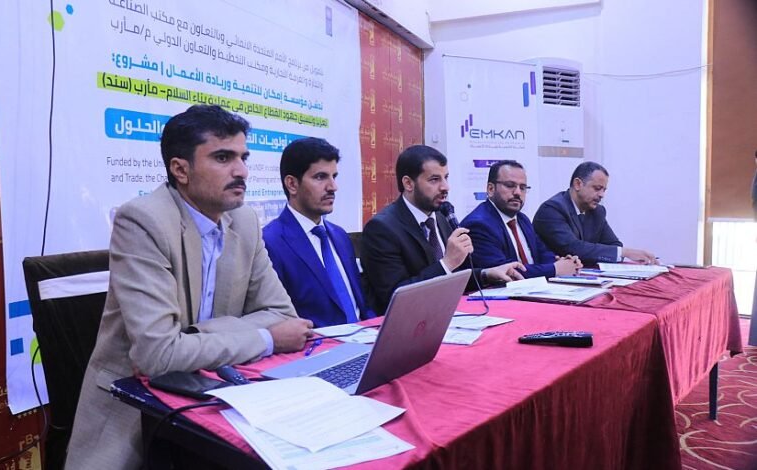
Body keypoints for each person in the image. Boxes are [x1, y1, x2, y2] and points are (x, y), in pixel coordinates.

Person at [65, 105, 312, 469]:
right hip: (136, 409)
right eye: (223, 158)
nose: (242, 171)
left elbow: (282, 314)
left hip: (214, 394)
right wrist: (266, 338)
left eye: (243, 157)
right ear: (180, 170)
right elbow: (158, 356)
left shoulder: (244, 220)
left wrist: (192, 337)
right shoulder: (143, 220)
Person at [360, 145, 525, 315]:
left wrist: (486, 274)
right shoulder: (382, 229)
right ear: (408, 183)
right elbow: (395, 296)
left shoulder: (441, 216)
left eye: (446, 178)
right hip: (407, 321)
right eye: (434, 180)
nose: (445, 187)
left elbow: (452, 277)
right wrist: (447, 263)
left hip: (448, 314)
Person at [263, 137, 374, 327]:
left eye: (334, 176)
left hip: (365, 338)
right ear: (292, 184)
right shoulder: (270, 242)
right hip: (316, 343)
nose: (333, 187)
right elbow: (277, 319)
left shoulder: (340, 236)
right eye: (320, 177)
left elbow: (361, 306)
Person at [461, 160, 582, 278]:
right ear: (491, 189)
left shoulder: (522, 219)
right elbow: (505, 271)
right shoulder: (479, 225)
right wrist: (555, 269)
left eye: (523, 187)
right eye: (510, 185)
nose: (518, 192)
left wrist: (565, 262)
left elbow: (542, 253)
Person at [533, 161, 657, 265]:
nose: (602, 195)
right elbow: (573, 248)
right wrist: (625, 252)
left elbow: (613, 244)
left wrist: (625, 253)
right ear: (578, 184)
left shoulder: (597, 211)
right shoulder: (552, 209)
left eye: (604, 190)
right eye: (597, 188)